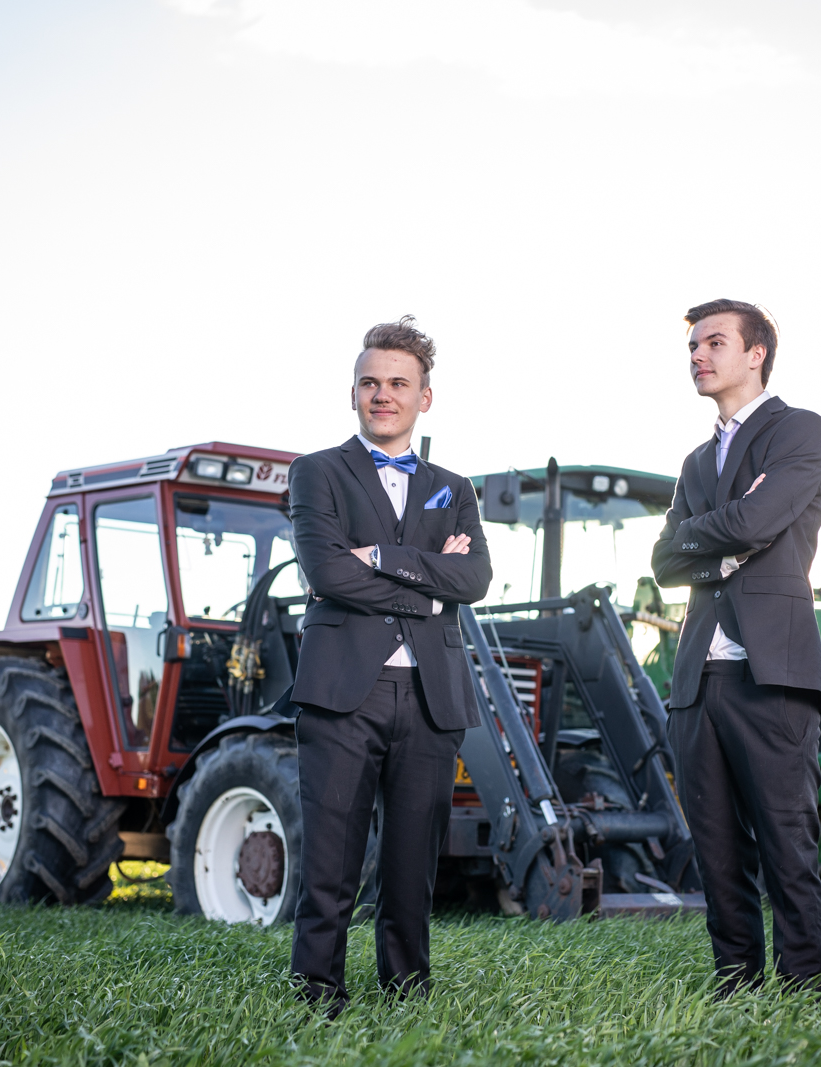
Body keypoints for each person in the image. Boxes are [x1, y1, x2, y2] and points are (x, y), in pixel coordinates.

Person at [286, 315, 493, 1017]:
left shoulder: (454, 487)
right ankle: (318, 994)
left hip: (432, 695)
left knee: (413, 862)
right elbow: (327, 573)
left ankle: (407, 993)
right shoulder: (317, 472)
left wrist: (380, 558)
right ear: (352, 393)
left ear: (423, 397)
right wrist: (431, 588)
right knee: (331, 857)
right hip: (344, 689)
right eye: (371, 382)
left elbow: (475, 580)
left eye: (399, 384)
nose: (384, 394)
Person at [650, 298, 821, 995]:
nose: (698, 355)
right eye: (693, 346)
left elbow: (760, 518)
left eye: (714, 342)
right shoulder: (696, 461)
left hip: (773, 673)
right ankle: (736, 984)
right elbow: (665, 562)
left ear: (756, 354)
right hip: (697, 680)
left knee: (787, 842)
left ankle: (802, 988)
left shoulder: (799, 431)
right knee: (717, 850)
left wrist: (708, 534)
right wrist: (725, 550)